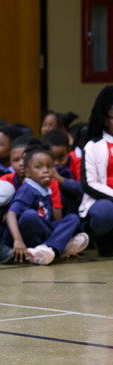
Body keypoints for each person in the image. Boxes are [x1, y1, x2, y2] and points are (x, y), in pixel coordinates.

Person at [3, 143, 88, 264]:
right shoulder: (28, 189)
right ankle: (57, 246)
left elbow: (47, 221)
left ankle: (51, 248)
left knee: (73, 218)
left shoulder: (46, 190)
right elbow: (11, 214)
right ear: (27, 172)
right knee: (29, 215)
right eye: (39, 167)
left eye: (49, 167)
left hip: (40, 235)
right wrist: (18, 240)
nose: (46, 171)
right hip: (23, 238)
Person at [79, 86, 113, 256]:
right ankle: (105, 243)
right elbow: (89, 184)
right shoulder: (92, 146)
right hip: (102, 200)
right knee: (105, 211)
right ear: (105, 119)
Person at [0, 136, 64, 221]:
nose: (22, 163)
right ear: (10, 162)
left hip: (44, 225)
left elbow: (57, 218)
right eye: (16, 160)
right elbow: (7, 215)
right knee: (29, 214)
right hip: (19, 225)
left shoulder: (49, 182)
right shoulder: (5, 181)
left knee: (73, 219)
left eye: (25, 159)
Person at [42, 130, 83, 216]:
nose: (56, 163)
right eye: (52, 158)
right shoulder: (41, 164)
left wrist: (59, 179)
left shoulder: (78, 162)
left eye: (61, 158)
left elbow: (83, 188)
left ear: (69, 151)